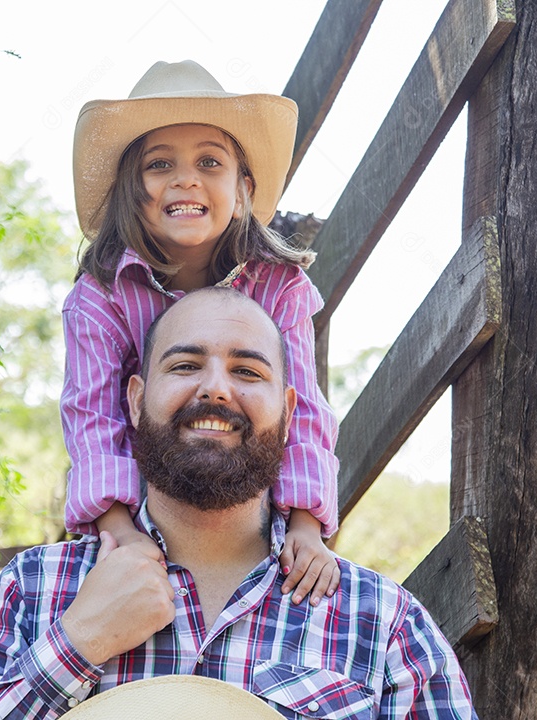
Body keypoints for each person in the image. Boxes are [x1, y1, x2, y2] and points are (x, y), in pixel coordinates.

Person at [0, 288, 479, 719]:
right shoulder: (35, 590)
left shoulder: (383, 623)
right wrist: (78, 642)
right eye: (186, 366)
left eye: (247, 371)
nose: (215, 389)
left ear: (288, 411)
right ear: (137, 399)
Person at [62, 59, 340, 606]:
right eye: (159, 164)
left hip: (245, 493)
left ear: (242, 189)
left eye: (209, 162)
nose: (185, 178)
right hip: (147, 491)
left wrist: (307, 524)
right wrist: (117, 525)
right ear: (130, 191)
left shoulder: (279, 284)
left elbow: (302, 405)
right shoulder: (101, 296)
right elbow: (91, 415)